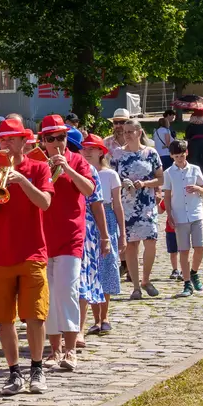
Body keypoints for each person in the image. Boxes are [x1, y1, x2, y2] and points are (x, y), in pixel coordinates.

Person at [0, 115, 53, 396]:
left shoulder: (38, 167)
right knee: (4, 319)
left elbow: (45, 203)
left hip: (32, 251)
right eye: (3, 140)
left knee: (35, 316)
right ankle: (14, 372)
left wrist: (22, 180)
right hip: (0, 254)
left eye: (13, 139)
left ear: (25, 141)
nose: (8, 144)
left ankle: (37, 368)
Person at [37, 115, 97, 370]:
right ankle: (54, 350)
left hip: (71, 236)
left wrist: (68, 168)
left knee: (67, 291)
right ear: (43, 141)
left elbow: (89, 190)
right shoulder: (36, 162)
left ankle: (70, 350)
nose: (57, 143)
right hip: (42, 236)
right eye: (51, 139)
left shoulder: (78, 160)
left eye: (61, 137)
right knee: (47, 294)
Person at [111, 116, 165, 299]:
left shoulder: (150, 153)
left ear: (139, 132)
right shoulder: (118, 154)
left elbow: (161, 178)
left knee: (151, 241)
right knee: (131, 246)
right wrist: (122, 183)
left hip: (146, 203)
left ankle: (146, 279)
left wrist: (146, 183)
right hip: (126, 204)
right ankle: (135, 286)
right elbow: (112, 178)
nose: (127, 135)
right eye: (124, 132)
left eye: (130, 132)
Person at [79, 130, 121, 336]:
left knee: (105, 266)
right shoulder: (79, 171)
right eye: (84, 148)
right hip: (87, 221)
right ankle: (95, 318)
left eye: (91, 149)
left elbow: (117, 205)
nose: (86, 152)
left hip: (107, 219)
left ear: (101, 152)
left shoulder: (110, 174)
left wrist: (122, 233)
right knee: (90, 269)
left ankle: (104, 316)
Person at [163, 140, 203, 294]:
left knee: (200, 247)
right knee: (184, 250)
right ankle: (187, 282)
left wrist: (197, 188)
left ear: (187, 153)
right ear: (171, 156)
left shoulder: (195, 169)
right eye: (176, 157)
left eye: (182, 156)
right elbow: (167, 196)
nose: (180, 159)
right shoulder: (169, 173)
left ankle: (194, 272)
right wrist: (169, 214)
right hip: (179, 216)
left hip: (196, 214)